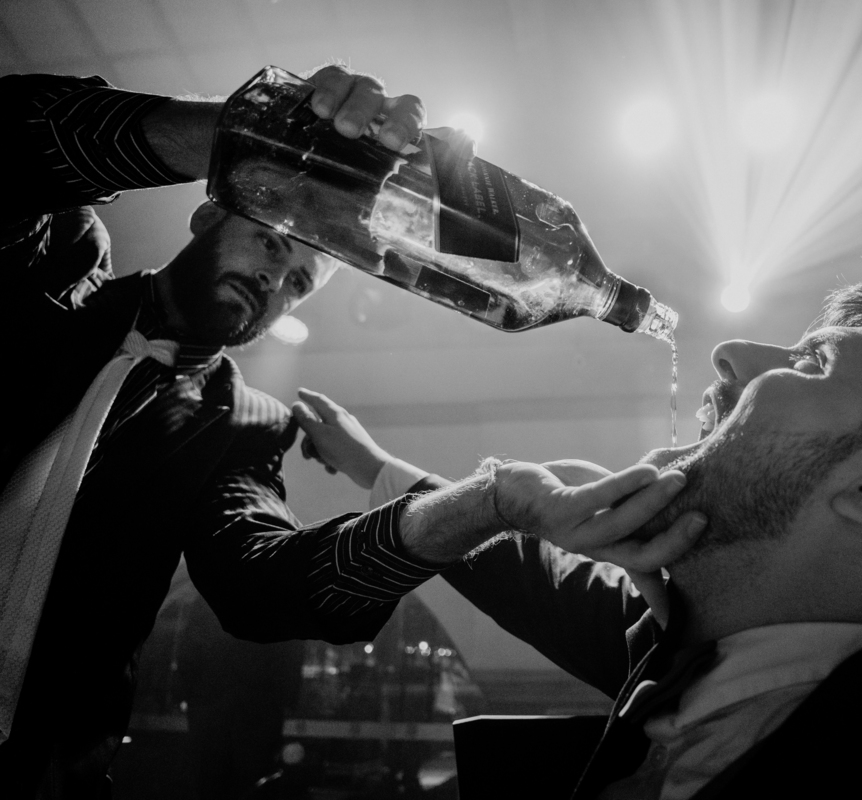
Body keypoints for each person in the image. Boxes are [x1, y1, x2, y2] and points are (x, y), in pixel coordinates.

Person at [0, 66, 691, 798]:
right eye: (270, 244)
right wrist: (253, 140)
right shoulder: (57, 266)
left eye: (299, 281)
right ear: (209, 214)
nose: (277, 281)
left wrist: (486, 505)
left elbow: (267, 585)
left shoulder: (243, 423)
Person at [294, 273, 862, 798]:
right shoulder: (708, 645)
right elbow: (519, 567)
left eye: (814, 362)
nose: (732, 353)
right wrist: (383, 467)